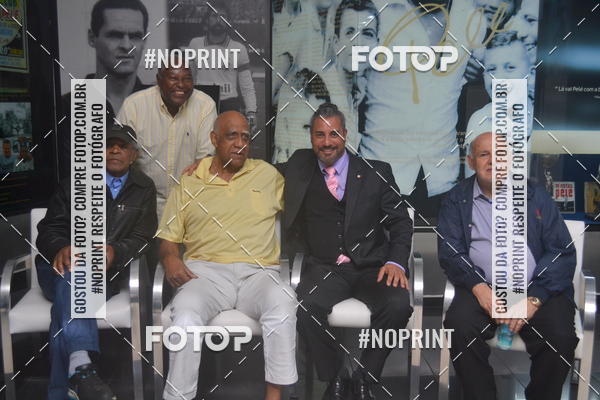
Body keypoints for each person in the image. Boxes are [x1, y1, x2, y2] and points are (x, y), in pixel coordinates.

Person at [157, 111, 297, 400]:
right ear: (214, 139)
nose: (240, 144)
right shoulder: (190, 181)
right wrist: (170, 258)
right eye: (232, 136)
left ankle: (274, 397)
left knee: (283, 299)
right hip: (205, 274)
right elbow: (168, 239)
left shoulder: (268, 175)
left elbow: (309, 181)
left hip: (258, 274)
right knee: (185, 315)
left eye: (245, 137)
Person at [278, 103, 413, 400]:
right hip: (325, 268)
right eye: (320, 135)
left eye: (334, 134)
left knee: (398, 305)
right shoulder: (300, 165)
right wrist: (208, 165)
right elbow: (258, 171)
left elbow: (401, 221)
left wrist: (395, 261)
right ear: (311, 137)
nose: (327, 142)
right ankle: (336, 375)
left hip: (372, 267)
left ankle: (365, 376)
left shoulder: (376, 172)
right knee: (306, 308)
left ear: (345, 135)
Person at [437, 132, 578, 400]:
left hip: (537, 289)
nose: (493, 161)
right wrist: (479, 288)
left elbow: (561, 252)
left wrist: (534, 299)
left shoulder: (535, 196)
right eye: (484, 154)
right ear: (470, 161)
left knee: (560, 338)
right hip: (483, 287)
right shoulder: (456, 198)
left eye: (500, 154)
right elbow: (450, 250)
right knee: (459, 326)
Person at [36, 125, 158, 400]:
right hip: (59, 268)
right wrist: (60, 247)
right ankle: (82, 366)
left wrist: (117, 251)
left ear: (134, 154)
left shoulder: (144, 188)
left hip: (105, 273)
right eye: (108, 145)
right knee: (74, 276)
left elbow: (144, 238)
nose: (114, 150)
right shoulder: (74, 183)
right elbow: (48, 229)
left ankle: (73, 381)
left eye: (122, 146)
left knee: (64, 306)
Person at [58, 0, 149, 179]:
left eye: (135, 36)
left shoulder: (159, 104)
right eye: (115, 35)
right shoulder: (64, 108)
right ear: (92, 38)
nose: (127, 45)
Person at [117, 61, 217, 219]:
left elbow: (204, 162)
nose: (181, 85)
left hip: (188, 201)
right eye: (173, 78)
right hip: (142, 204)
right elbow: (118, 157)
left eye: (187, 78)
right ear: (159, 80)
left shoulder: (205, 105)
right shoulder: (134, 105)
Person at [187, 3, 257, 125]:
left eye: (223, 16)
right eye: (214, 16)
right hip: (201, 103)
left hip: (229, 104)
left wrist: (251, 111)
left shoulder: (239, 48)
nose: (218, 20)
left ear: (228, 21)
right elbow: (189, 79)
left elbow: (247, 86)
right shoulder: (195, 44)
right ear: (207, 20)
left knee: (228, 137)